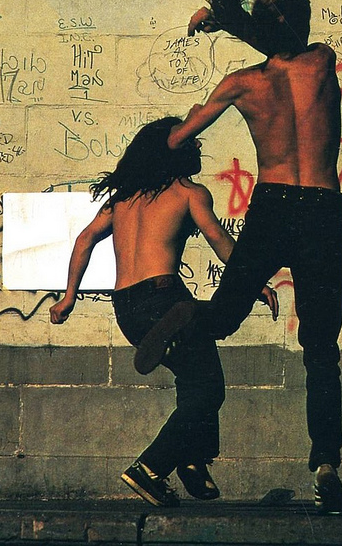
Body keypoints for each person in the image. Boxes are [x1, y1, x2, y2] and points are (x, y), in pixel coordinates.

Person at [136, 0, 342, 513]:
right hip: (322, 209)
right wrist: (230, 20)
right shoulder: (323, 61)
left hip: (272, 206)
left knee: (225, 318)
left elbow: (178, 139)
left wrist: (218, 20)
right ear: (302, 24)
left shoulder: (239, 84)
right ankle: (325, 462)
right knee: (321, 348)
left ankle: (185, 314)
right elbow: (282, 40)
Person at [49, 116, 278, 508]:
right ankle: (152, 467)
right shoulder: (188, 193)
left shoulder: (122, 197)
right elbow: (219, 238)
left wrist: (68, 297)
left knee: (195, 381)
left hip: (127, 309)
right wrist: (253, 282)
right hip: (164, 298)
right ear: (178, 150)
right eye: (191, 143)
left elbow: (85, 238)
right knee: (208, 390)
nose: (198, 149)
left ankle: (192, 460)